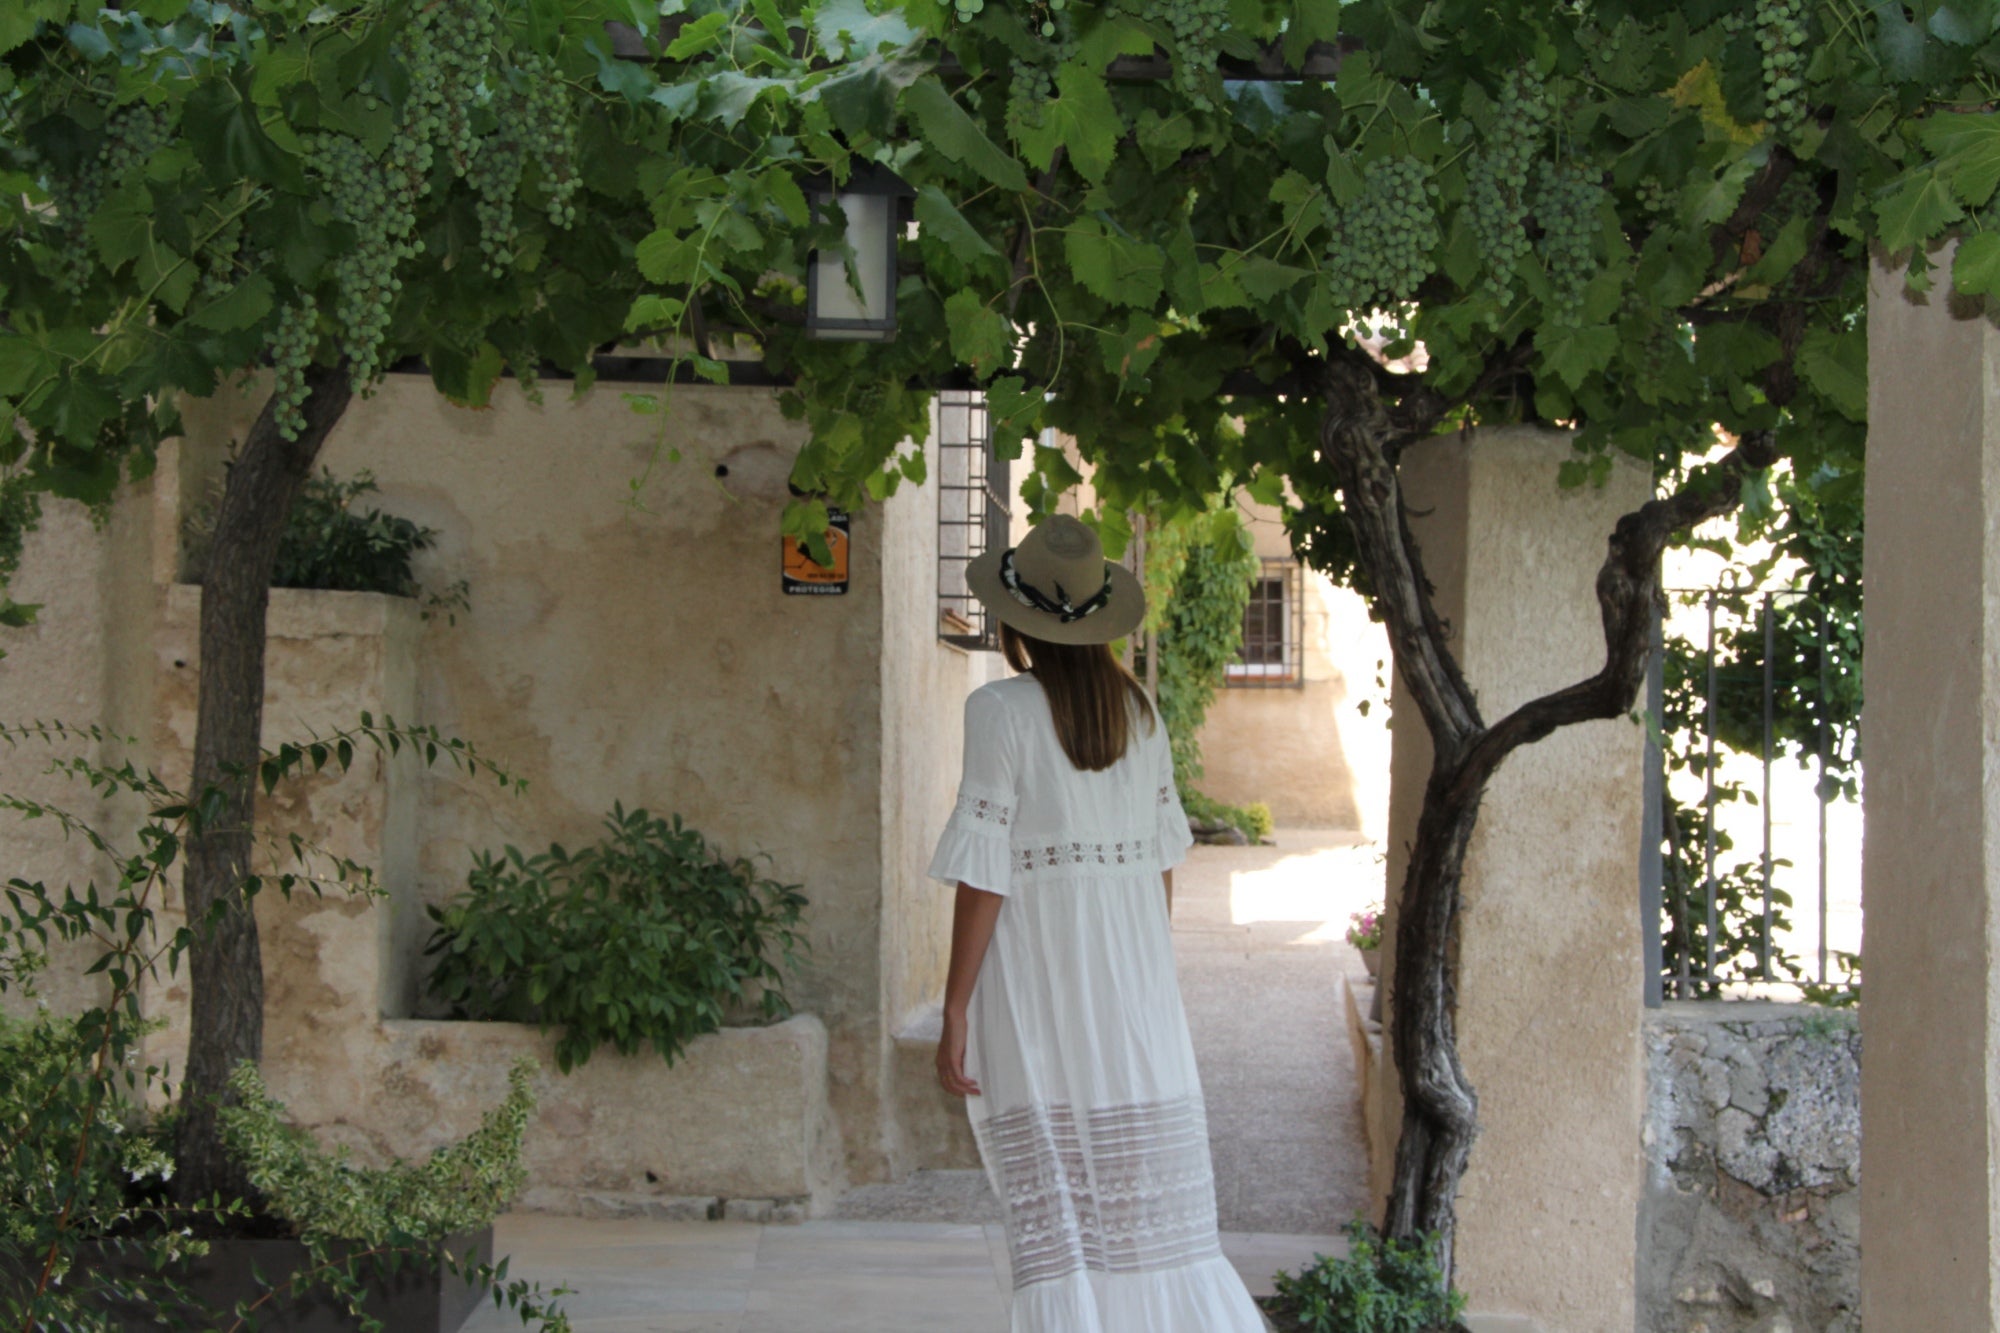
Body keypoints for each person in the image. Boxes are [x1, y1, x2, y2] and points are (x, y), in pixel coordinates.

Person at [928, 514, 1267, 1332]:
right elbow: (1160, 871)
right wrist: (1145, 982)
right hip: (1134, 984)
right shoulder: (1141, 712)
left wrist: (955, 1005)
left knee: (1057, 1197)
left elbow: (984, 876)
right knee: (1150, 1217)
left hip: (1038, 977)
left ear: (1017, 622)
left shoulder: (1000, 712)